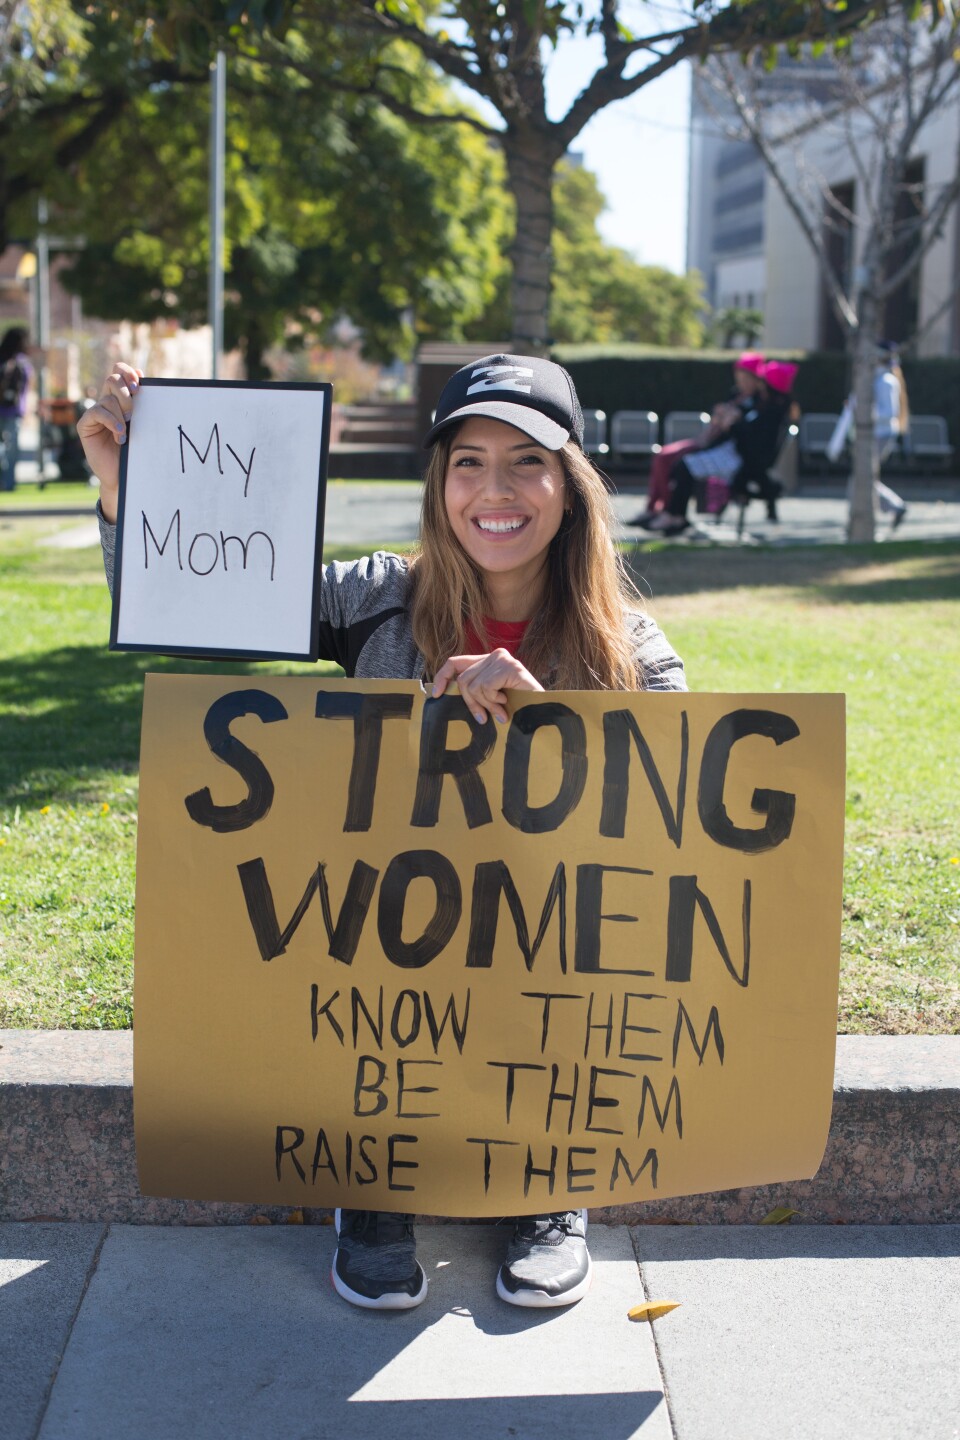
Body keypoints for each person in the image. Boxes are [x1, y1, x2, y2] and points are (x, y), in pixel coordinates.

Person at [79, 353, 687, 1313]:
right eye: (467, 462)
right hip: (390, 947)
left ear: (571, 489)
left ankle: (548, 1177)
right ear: (439, 484)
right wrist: (129, 488)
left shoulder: (633, 652)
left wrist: (550, 724)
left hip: (541, 958)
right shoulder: (374, 599)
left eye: (527, 463)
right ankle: (371, 1178)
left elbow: (672, 835)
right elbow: (194, 600)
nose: (494, 490)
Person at [637, 359, 798, 536]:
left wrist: (733, 423)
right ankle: (669, 513)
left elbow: (751, 440)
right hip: (737, 456)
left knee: (685, 465)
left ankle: (675, 516)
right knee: (681, 464)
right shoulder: (768, 406)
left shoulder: (771, 411)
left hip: (742, 462)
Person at [632, 351, 766, 521]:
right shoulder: (735, 395)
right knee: (662, 455)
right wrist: (720, 415)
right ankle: (654, 507)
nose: (742, 383)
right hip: (706, 440)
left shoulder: (757, 403)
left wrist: (730, 420)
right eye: (739, 378)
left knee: (672, 462)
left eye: (746, 379)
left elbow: (738, 430)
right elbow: (718, 419)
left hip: (716, 447)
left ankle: (667, 510)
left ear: (756, 380)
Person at [872, 343, 909, 530]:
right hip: (878, 432)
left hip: (882, 433)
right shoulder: (880, 378)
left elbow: (888, 412)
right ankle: (893, 507)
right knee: (863, 478)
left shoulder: (886, 381)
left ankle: (895, 506)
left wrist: (864, 412)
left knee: (863, 478)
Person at [0, 326, 33, 492]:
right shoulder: (23, 361)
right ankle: (8, 482)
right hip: (14, 411)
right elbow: (26, 389)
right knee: (11, 449)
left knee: (3, 448)